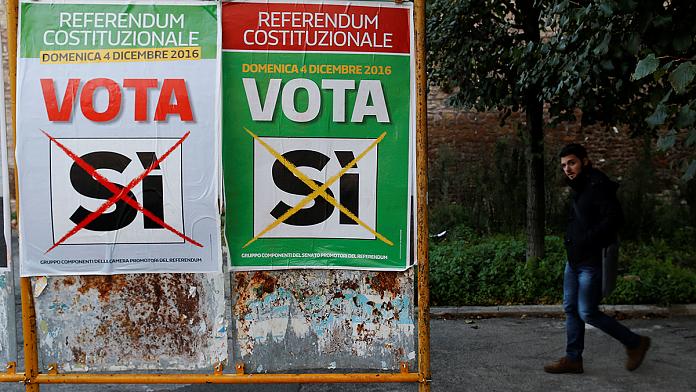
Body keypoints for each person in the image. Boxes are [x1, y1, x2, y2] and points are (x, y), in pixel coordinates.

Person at [544, 143, 650, 374]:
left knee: (587, 311)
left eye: (572, 162)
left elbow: (614, 219)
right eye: (564, 165)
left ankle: (635, 343)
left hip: (590, 260)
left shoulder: (597, 185)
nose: (568, 169)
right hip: (574, 260)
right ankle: (573, 359)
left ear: (585, 160)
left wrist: (586, 240)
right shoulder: (580, 186)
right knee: (571, 308)